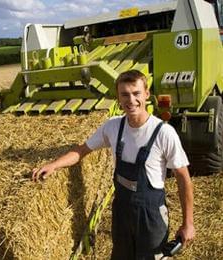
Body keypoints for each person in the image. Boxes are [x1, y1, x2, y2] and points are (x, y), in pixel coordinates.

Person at [32, 70, 195, 259]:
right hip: (122, 211)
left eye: (136, 93)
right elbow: (82, 150)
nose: (131, 100)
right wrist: (54, 165)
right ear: (118, 97)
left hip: (150, 215)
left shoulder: (163, 133)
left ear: (147, 94)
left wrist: (188, 223)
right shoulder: (113, 127)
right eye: (124, 94)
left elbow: (183, 178)